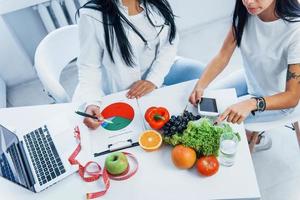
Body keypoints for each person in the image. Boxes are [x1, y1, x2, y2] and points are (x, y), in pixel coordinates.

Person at [72, 0, 203, 129]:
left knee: (201, 75)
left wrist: (153, 80)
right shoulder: (92, 15)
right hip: (124, 88)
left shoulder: (155, 3)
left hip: (156, 71)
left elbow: (170, 44)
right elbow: (89, 66)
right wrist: (92, 103)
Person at [189, 0, 300, 152]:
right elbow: (223, 55)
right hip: (252, 79)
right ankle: (249, 131)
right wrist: (201, 85)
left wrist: (250, 103)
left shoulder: (295, 29)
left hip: (280, 100)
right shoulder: (245, 13)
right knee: (203, 103)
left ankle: (258, 139)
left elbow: (292, 97)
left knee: (216, 120)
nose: (248, 2)